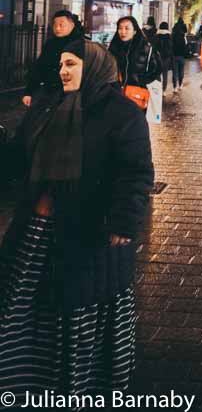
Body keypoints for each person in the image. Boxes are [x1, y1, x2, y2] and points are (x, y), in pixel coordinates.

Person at [0, 40, 154, 396]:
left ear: (94, 67)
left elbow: (135, 172)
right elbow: (19, 157)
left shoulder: (121, 113)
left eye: (71, 64)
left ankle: (77, 386)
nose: (63, 71)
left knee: (79, 312)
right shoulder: (48, 106)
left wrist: (124, 221)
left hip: (89, 233)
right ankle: (25, 381)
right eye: (60, 65)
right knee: (23, 305)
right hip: (37, 231)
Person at [22, 9, 84, 106]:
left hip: (72, 95)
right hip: (49, 92)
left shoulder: (81, 45)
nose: (57, 28)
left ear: (72, 25)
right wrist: (29, 92)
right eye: (55, 25)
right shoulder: (50, 44)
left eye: (61, 25)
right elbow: (40, 67)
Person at [108, 16, 161, 90]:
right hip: (117, 93)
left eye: (127, 28)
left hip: (137, 94)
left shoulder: (146, 49)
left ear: (134, 31)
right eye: (120, 28)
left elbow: (156, 70)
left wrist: (141, 82)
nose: (123, 32)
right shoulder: (113, 49)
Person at [155, 21, 174, 91]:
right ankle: (164, 90)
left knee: (157, 74)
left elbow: (154, 47)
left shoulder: (157, 35)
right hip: (166, 58)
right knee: (165, 74)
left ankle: (157, 88)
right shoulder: (169, 36)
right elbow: (171, 47)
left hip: (157, 58)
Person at [171, 17, 188, 92]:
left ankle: (174, 87)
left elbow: (171, 46)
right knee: (181, 71)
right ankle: (180, 85)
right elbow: (185, 47)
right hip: (181, 56)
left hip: (174, 55)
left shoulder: (173, 37)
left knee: (174, 71)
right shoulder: (183, 38)